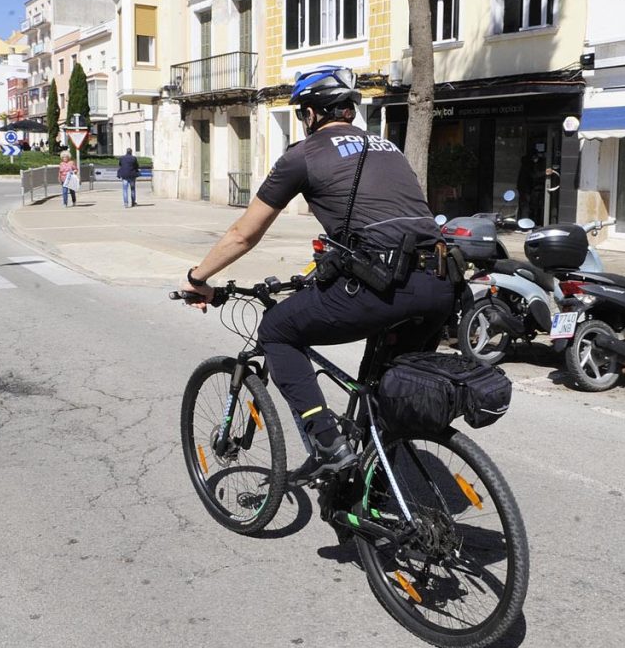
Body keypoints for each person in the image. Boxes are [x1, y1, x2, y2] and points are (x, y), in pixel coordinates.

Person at [179, 66, 454, 481]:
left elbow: (243, 234)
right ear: (347, 111)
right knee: (379, 386)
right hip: (441, 283)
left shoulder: (302, 155)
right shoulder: (387, 147)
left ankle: (328, 443)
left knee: (276, 329)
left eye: (300, 113)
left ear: (310, 114)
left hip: (383, 283)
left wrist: (197, 278)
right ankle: (375, 486)